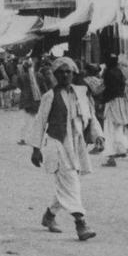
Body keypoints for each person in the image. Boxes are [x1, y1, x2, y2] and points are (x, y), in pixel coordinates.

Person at [30, 58, 103, 242]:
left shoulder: (82, 93)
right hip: (58, 144)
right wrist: (36, 148)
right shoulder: (49, 96)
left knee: (67, 182)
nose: (64, 75)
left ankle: (49, 215)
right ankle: (81, 223)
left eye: (68, 72)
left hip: (76, 144)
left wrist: (98, 136)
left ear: (73, 73)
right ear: (54, 76)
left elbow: (91, 116)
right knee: (70, 181)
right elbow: (40, 122)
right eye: (60, 72)